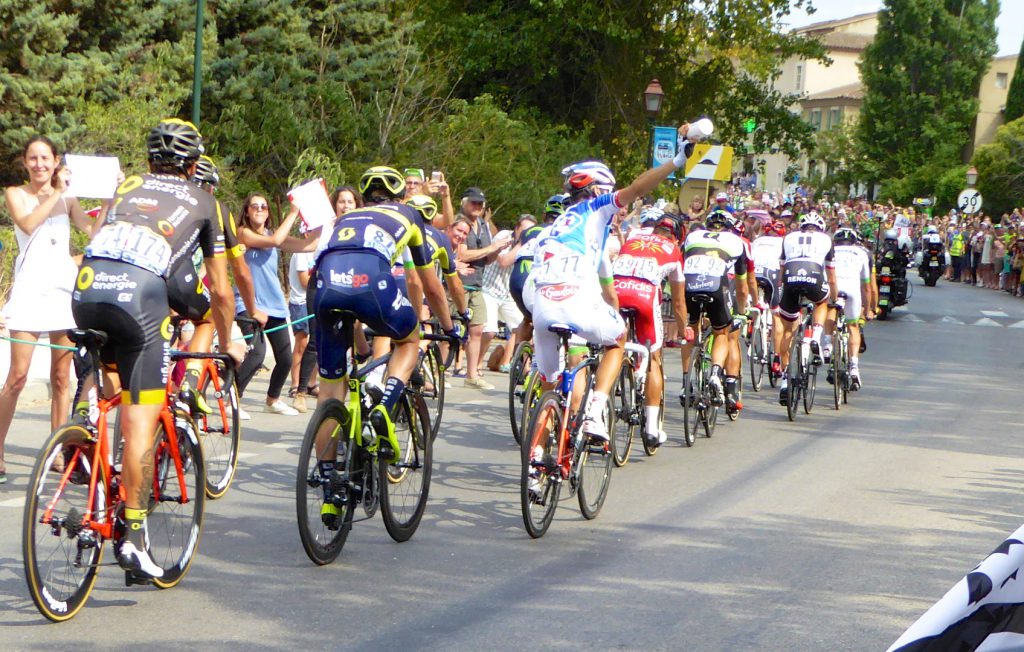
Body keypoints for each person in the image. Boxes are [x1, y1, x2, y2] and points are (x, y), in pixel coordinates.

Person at [73, 118, 242, 576]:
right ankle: (131, 532)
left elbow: (103, 237)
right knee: (140, 419)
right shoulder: (206, 200)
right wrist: (228, 344)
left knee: (115, 390)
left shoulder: (128, 184)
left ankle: (88, 428)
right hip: (141, 299)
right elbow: (222, 293)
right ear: (192, 165)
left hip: (86, 291)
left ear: (149, 160)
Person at [530, 120, 709, 444]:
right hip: (576, 302)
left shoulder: (558, 227)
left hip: (542, 307)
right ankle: (596, 410)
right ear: (597, 190)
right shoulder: (595, 209)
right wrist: (678, 161)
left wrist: (609, 305)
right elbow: (639, 188)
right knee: (618, 338)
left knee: (549, 390)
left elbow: (609, 289)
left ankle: (536, 464)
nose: (618, 206)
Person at [311, 167, 457, 510]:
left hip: (324, 289)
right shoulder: (409, 215)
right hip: (371, 282)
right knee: (408, 339)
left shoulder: (343, 218)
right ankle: (386, 406)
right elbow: (429, 285)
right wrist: (449, 329)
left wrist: (359, 344)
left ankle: (330, 487)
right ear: (397, 195)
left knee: (330, 392)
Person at [0, 135, 94, 484]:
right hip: (29, 293)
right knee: (17, 377)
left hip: (62, 293)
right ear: (25, 163)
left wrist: (110, 198)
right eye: (33, 159)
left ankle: (58, 452)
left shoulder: (68, 199)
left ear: (56, 161)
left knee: (61, 377)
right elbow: (27, 224)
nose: (40, 164)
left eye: (46, 158)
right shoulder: (16, 193)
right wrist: (56, 192)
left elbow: (91, 230)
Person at [612, 208, 689, 448]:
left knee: (612, 347)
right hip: (644, 297)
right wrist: (683, 328)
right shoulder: (674, 251)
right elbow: (677, 302)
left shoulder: (633, 237)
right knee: (654, 358)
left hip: (615, 294)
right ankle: (652, 429)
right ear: (677, 237)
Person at [235, 194, 306, 417]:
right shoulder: (242, 233)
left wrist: (318, 221)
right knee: (256, 354)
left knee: (285, 358)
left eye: (264, 206)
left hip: (274, 305)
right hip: (248, 303)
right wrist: (294, 212)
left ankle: (272, 399)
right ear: (246, 211)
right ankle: (231, 398)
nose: (259, 209)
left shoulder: (273, 235)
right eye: (254, 206)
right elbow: (275, 242)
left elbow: (307, 245)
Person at [678, 209, 750, 406]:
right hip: (716, 285)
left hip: (689, 284)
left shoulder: (693, 236)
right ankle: (716, 374)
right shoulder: (737, 242)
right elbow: (742, 288)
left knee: (689, 332)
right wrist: (742, 313)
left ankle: (687, 383)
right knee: (722, 333)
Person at [776, 211, 837, 406]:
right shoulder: (826, 239)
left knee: (788, 330)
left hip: (791, 277)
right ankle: (814, 336)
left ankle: (785, 381)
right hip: (813, 274)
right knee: (822, 301)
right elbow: (831, 274)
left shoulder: (789, 237)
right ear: (820, 228)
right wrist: (833, 298)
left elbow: (782, 270)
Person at [454, 187, 510, 389]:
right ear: (464, 203)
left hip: (477, 284)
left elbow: (486, 259)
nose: (477, 206)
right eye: (473, 202)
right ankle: (438, 372)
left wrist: (500, 249)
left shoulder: (483, 226)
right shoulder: (459, 224)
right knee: (449, 329)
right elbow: (462, 254)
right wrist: (491, 248)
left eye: (480, 203)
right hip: (457, 283)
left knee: (478, 329)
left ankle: (472, 374)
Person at [826, 228, 872, 390]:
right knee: (853, 326)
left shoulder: (829, 249)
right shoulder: (861, 253)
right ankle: (853, 366)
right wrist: (867, 310)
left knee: (830, 311)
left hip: (835, 287)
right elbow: (866, 286)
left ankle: (827, 345)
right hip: (852, 290)